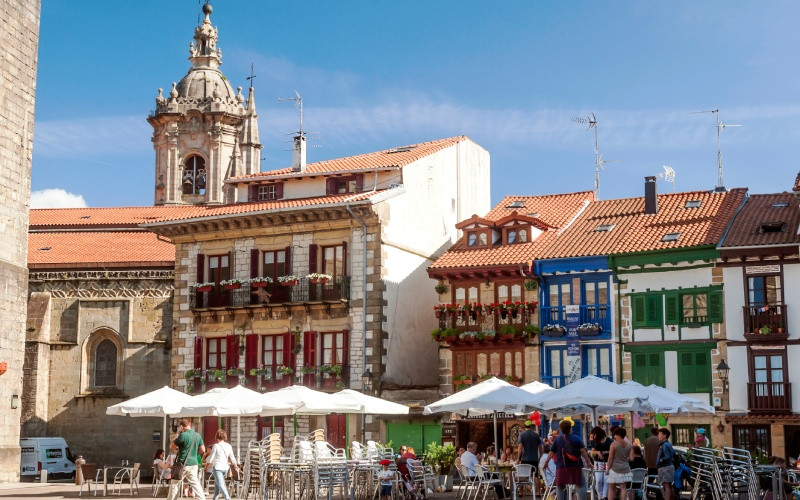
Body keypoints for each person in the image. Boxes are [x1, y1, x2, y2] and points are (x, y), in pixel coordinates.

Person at [542, 419, 593, 500]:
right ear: (570, 428)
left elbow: (551, 453)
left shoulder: (557, 440)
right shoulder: (577, 438)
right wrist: (589, 462)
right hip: (575, 467)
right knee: (582, 485)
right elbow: (583, 451)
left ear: (561, 429)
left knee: (560, 487)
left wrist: (546, 462)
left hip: (562, 467)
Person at [167, 419, 206, 500]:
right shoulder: (197, 435)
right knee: (195, 484)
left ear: (181, 426)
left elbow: (172, 447)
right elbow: (203, 450)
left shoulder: (183, 435)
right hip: (194, 464)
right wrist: (194, 454)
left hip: (182, 464)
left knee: (175, 483)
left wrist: (175, 438)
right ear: (189, 425)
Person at [205, 429, 238, 500]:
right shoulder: (229, 446)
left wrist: (207, 465)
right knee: (217, 484)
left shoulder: (215, 446)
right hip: (225, 467)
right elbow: (232, 457)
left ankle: (227, 498)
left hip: (217, 467)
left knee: (220, 484)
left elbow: (211, 458)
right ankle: (215, 498)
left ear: (216, 436)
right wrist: (235, 465)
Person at [606, 427, 632, 500]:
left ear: (619, 435)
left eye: (615, 435)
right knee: (623, 487)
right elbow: (631, 458)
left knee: (611, 487)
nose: (614, 436)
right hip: (625, 468)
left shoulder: (613, 444)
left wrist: (608, 469)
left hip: (615, 468)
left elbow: (610, 458)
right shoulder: (629, 445)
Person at [589, 426, 612, 500]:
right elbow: (592, 451)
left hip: (607, 462)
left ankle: (604, 496)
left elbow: (612, 451)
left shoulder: (609, 440)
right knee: (598, 480)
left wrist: (605, 452)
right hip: (598, 462)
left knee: (606, 480)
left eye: (594, 434)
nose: (593, 436)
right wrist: (598, 452)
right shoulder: (595, 441)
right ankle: (600, 497)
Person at [656, 428, 675, 500]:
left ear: (664, 435)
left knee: (666, 485)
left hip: (665, 467)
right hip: (669, 466)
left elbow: (667, 456)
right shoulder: (668, 444)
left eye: (660, 434)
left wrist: (660, 460)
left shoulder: (665, 445)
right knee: (669, 486)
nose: (658, 436)